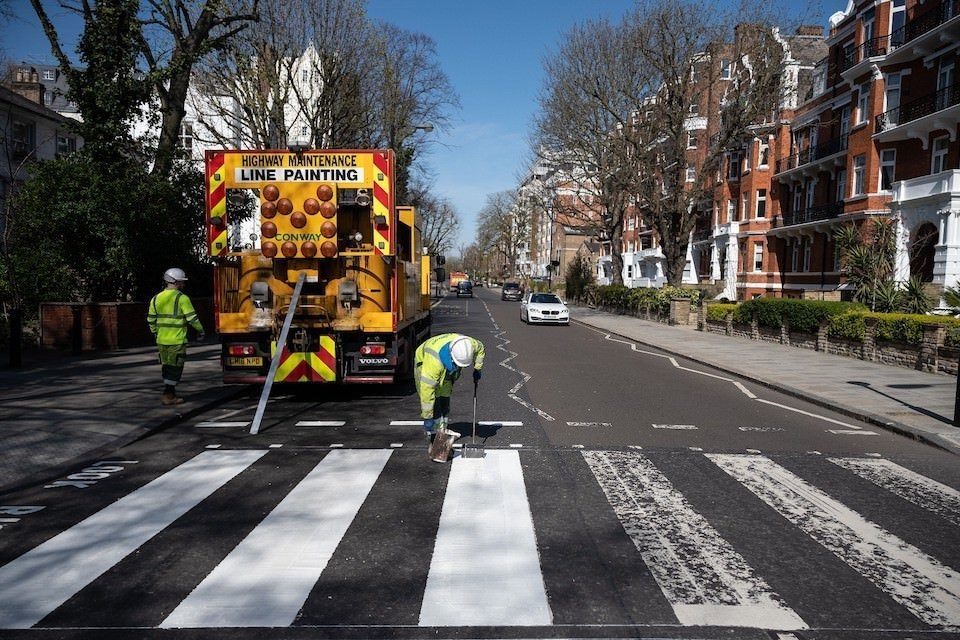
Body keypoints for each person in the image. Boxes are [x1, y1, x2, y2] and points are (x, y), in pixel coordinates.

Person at [147, 268, 205, 405]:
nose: (183, 284)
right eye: (182, 282)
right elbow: (192, 318)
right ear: (175, 281)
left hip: (161, 340)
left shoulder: (156, 299)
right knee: (175, 367)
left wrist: (156, 332)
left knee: (167, 366)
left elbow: (150, 319)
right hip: (176, 340)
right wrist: (201, 330)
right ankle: (169, 395)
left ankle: (169, 392)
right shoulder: (182, 299)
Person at [414, 333, 485, 440]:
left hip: (446, 360)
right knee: (435, 396)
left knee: (445, 393)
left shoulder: (470, 344)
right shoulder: (433, 363)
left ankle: (443, 427)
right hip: (424, 360)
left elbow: (481, 349)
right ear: (452, 357)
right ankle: (436, 433)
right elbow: (427, 390)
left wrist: (477, 368)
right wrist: (427, 416)